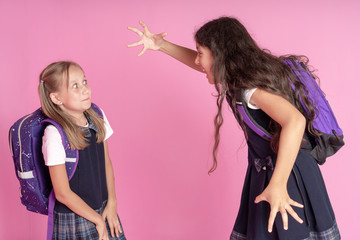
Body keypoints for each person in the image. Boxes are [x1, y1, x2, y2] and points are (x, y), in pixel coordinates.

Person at [127, 17, 340, 240]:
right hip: (274, 171)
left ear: (220, 56)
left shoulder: (250, 89)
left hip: (286, 176)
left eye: (200, 52)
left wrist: (277, 184)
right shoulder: (237, 77)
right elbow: (200, 64)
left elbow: (295, 121)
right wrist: (161, 45)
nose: (197, 60)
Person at [38, 61, 126, 240]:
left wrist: (112, 203)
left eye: (85, 82)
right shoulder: (54, 133)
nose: (85, 89)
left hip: (102, 208)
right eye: (75, 86)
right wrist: (97, 221)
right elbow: (62, 193)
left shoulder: (97, 115)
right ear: (56, 98)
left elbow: (106, 162)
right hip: (75, 217)